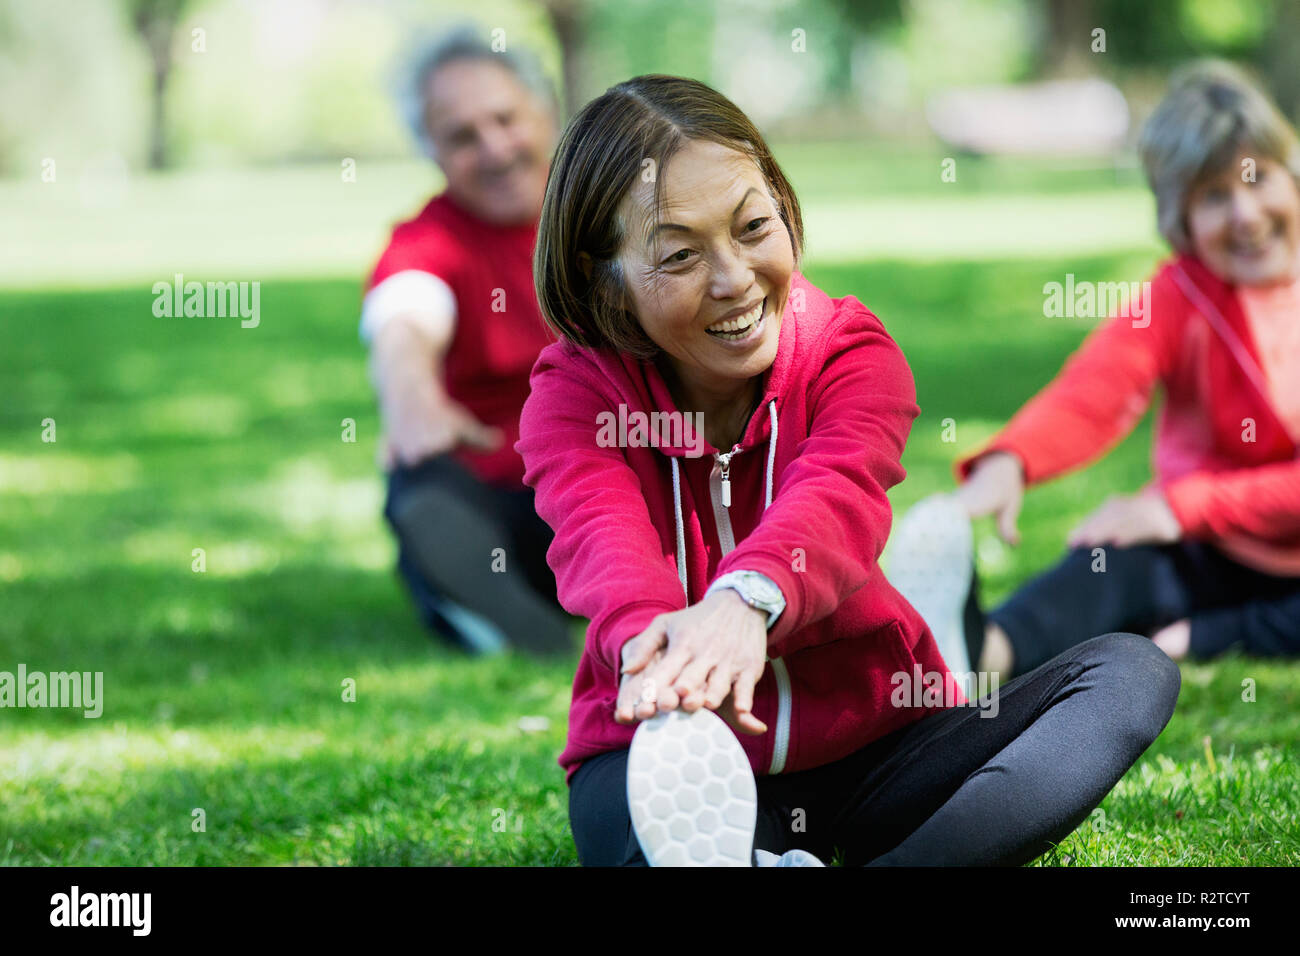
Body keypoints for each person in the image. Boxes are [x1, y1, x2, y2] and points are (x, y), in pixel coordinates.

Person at [515, 74, 1181, 866]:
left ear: (784, 207)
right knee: (640, 812)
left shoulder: (851, 354)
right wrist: (656, 652)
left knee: (1129, 672)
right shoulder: (576, 395)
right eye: (680, 254)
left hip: (873, 754)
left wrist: (745, 599)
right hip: (668, 750)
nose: (734, 279)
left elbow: (835, 499)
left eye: (753, 226)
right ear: (605, 279)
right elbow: (602, 539)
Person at [933, 61, 1300, 681]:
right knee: (1109, 558)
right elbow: (1096, 389)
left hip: (1215, 523)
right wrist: (1013, 459)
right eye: (1213, 196)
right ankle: (979, 652)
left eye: (1256, 178)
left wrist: (1184, 505)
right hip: (1206, 547)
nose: (1245, 214)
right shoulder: (1180, 293)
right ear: (1179, 222)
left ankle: (1215, 633)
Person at [362, 27, 572, 656]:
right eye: (460, 137)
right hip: (501, 502)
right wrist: (411, 398)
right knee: (421, 484)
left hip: (608, 483)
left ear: (546, 112)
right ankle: (492, 611)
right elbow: (403, 315)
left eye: (506, 119)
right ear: (430, 150)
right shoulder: (427, 242)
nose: (494, 149)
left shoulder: (609, 217)